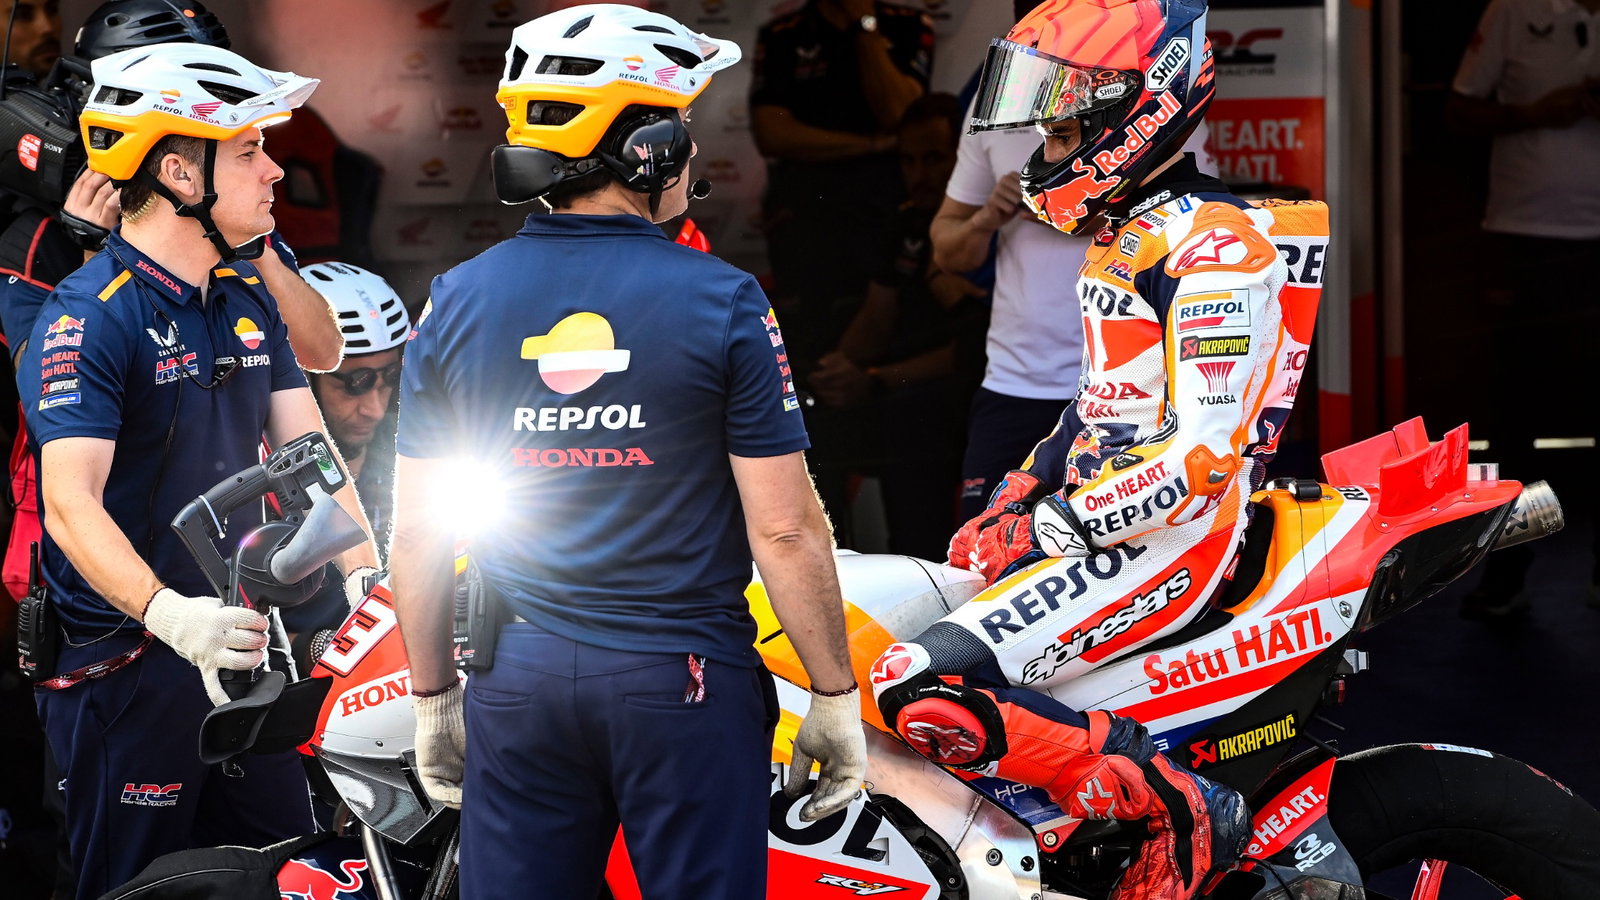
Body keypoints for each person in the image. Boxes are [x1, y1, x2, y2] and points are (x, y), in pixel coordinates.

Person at [389, 7, 866, 899]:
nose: (692, 151)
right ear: (648, 148)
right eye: (680, 128)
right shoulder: (725, 298)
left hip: (516, 681)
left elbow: (416, 533)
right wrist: (835, 696)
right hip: (681, 685)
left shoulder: (454, 297)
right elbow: (786, 530)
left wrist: (433, 696)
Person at [868, 2, 1331, 898]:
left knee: (917, 683)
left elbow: (1201, 461)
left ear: (1140, 110)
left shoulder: (1216, 247)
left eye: (1064, 123)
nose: (1044, 145)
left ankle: (1178, 808)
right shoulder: (1131, 233)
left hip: (1167, 546)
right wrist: (1018, 492)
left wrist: (1055, 527)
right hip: (1105, 533)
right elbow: (1101, 406)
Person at [15, 43, 380, 899]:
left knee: (292, 873)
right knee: (137, 889)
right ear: (180, 173)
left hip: (247, 653)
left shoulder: (245, 294)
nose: (276, 170)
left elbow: (314, 462)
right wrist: (171, 617)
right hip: (127, 665)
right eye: (249, 152)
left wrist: (370, 584)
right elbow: (68, 504)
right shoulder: (88, 316)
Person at [936, 0, 1217, 525]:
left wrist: (1048, 202)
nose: (1047, 150)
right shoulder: (1003, 93)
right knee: (983, 547)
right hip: (1016, 381)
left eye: (1061, 135)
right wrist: (987, 220)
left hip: (1131, 390)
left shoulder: (1153, 96)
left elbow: (1176, 214)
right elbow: (945, 249)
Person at [1446, 0, 1600, 618]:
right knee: (1514, 415)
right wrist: (1536, 113)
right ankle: (1506, 575)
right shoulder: (1514, 9)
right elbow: (1459, 109)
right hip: (1523, 238)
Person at [807, 91, 988, 559]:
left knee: (912, 421)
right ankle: (831, 561)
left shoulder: (990, 227)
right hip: (899, 389)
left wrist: (872, 379)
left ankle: (925, 564)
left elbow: (977, 349)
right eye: (909, 160)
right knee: (813, 422)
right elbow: (876, 317)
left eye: (933, 158)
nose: (919, 173)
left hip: (966, 396)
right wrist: (833, 373)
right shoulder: (904, 224)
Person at [749, 0, 933, 369]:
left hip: (885, 215)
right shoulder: (783, 35)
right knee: (807, 351)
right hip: (807, 218)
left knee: (892, 336)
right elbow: (771, 133)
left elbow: (902, 115)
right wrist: (873, 145)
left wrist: (862, 25)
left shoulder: (907, 24)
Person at [279, 261, 407, 663]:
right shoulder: (257, 480)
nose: (374, 408)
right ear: (302, 377)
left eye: (389, 379)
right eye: (356, 384)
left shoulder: (406, 451)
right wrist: (322, 648)